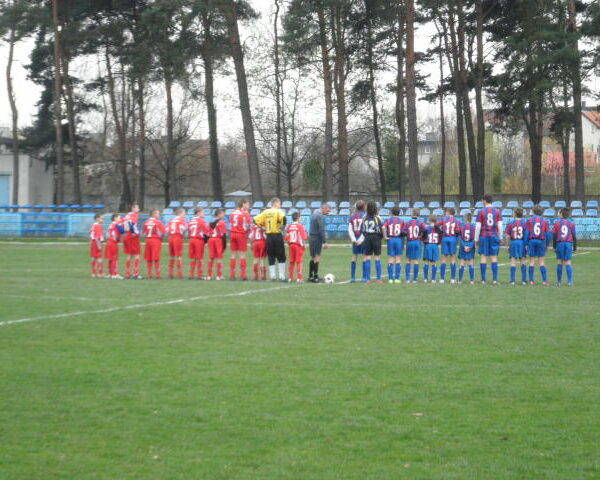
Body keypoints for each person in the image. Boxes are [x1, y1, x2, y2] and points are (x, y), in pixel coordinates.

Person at [253, 198, 287, 281]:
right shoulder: (278, 211)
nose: (280, 205)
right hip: (277, 235)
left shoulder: (266, 212)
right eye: (279, 204)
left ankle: (272, 276)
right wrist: (282, 227)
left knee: (271, 256)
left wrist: (262, 228)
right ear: (276, 204)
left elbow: (255, 220)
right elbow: (284, 219)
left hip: (269, 236)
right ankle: (282, 276)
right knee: (281, 256)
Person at [475, 194, 503, 284]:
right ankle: (495, 280)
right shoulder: (497, 211)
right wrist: (500, 237)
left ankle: (483, 280)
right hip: (494, 235)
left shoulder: (481, 211)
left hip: (484, 235)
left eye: (482, 200)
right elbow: (500, 226)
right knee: (493, 256)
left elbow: (478, 226)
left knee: (483, 256)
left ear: (484, 201)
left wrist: (476, 239)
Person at [356, 201, 384, 284]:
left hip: (367, 238)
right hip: (376, 238)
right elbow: (381, 228)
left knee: (368, 257)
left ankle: (367, 279)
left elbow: (363, 230)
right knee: (377, 257)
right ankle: (379, 279)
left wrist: (363, 238)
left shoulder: (364, 218)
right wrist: (381, 237)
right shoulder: (378, 218)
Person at [525, 205, 551, 286]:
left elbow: (527, 233)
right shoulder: (545, 220)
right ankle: (544, 281)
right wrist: (547, 245)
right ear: (542, 212)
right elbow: (547, 234)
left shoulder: (529, 220)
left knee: (532, 261)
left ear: (533, 211)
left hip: (532, 241)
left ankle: (531, 281)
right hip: (541, 241)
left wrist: (526, 243)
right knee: (541, 261)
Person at [552, 207, 577, 286]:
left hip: (560, 244)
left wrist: (554, 246)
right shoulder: (572, 224)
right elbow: (574, 236)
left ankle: (559, 282)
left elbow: (554, 236)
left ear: (561, 214)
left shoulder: (557, 223)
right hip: (568, 244)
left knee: (560, 262)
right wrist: (575, 247)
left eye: (559, 213)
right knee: (568, 262)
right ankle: (569, 282)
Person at [229, 199, 252, 280]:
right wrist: (247, 232)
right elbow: (249, 225)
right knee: (242, 255)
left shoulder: (233, 213)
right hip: (241, 234)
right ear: (243, 204)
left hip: (232, 234)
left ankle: (232, 275)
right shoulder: (245, 213)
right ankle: (243, 275)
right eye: (247, 204)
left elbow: (231, 223)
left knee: (233, 255)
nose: (248, 206)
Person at [504, 207, 528, 285]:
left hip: (513, 242)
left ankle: (512, 280)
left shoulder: (510, 223)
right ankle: (524, 280)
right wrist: (526, 244)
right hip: (522, 242)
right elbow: (526, 234)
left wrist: (507, 245)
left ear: (514, 214)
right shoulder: (524, 223)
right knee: (523, 260)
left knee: (513, 261)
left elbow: (507, 235)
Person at [437, 207, 461, 283]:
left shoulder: (444, 219)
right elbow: (458, 231)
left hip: (445, 239)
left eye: (446, 211)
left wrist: (441, 232)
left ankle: (442, 279)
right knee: (452, 258)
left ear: (448, 212)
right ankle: (453, 279)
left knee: (444, 259)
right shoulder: (457, 221)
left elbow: (436, 225)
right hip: (452, 239)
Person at [403, 208, 427, 283]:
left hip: (410, 242)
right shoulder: (421, 223)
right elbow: (425, 230)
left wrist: (407, 235)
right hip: (417, 242)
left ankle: (407, 279)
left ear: (411, 214)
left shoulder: (407, 223)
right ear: (419, 214)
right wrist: (422, 237)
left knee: (408, 260)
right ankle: (415, 279)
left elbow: (403, 231)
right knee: (416, 260)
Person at [308, 204, 331, 283]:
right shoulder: (321, 216)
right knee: (317, 257)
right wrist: (325, 241)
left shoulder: (314, 214)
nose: (328, 212)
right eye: (327, 211)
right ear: (323, 209)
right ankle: (316, 277)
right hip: (316, 238)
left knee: (313, 257)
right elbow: (321, 229)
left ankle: (311, 276)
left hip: (311, 237)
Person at [383, 206, 404, 283]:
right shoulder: (401, 221)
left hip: (391, 239)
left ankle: (390, 279)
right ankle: (397, 278)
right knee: (398, 258)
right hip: (398, 240)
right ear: (399, 213)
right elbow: (403, 231)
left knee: (391, 258)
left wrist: (385, 236)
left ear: (391, 212)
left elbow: (383, 227)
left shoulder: (388, 220)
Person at [143, 209, 166, 279]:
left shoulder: (146, 222)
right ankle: (158, 275)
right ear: (154, 214)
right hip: (155, 240)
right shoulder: (158, 222)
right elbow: (163, 232)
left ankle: (149, 274)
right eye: (158, 213)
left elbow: (144, 232)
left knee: (149, 258)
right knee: (156, 258)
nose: (159, 215)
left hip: (148, 241)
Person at [286, 212, 309, 282]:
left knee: (291, 261)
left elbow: (287, 237)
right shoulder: (300, 226)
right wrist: (304, 244)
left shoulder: (289, 226)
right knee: (299, 262)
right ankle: (299, 278)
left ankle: (290, 277)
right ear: (298, 218)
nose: (301, 218)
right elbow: (304, 237)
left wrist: (289, 244)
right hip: (298, 245)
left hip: (291, 245)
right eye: (300, 217)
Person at [348, 201, 366, 283]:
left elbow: (350, 229)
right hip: (363, 240)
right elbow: (365, 230)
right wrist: (360, 240)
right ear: (363, 207)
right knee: (364, 257)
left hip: (355, 240)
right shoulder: (365, 216)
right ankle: (364, 278)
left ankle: (353, 278)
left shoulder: (352, 216)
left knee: (354, 256)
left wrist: (354, 240)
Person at [188, 207, 209, 279]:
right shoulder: (201, 220)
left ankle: (191, 274)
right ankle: (200, 275)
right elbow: (206, 231)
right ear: (198, 213)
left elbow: (189, 231)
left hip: (191, 239)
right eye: (203, 212)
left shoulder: (191, 221)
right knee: (200, 258)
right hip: (198, 240)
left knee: (193, 258)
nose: (204, 214)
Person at [166, 208, 187, 279]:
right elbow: (183, 228)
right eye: (184, 213)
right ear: (180, 213)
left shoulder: (171, 220)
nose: (184, 214)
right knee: (179, 256)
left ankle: (170, 273)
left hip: (171, 238)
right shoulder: (181, 220)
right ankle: (179, 274)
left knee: (172, 256)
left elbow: (167, 229)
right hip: (177, 237)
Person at [122, 203, 142, 279]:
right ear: (133, 208)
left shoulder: (127, 215)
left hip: (127, 236)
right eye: (137, 208)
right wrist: (134, 232)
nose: (139, 209)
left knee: (130, 255)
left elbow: (122, 224)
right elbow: (132, 224)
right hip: (132, 236)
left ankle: (127, 273)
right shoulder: (134, 215)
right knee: (137, 254)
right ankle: (135, 274)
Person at [207, 209, 227, 280]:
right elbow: (224, 235)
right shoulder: (222, 223)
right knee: (219, 258)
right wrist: (224, 245)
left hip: (211, 240)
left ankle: (209, 276)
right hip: (218, 240)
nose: (223, 215)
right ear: (219, 215)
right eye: (222, 214)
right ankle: (219, 276)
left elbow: (208, 233)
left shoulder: (211, 222)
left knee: (211, 258)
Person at [423, 215, 442, 283]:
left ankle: (425, 279)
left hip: (428, 245)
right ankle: (433, 279)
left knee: (426, 262)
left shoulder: (427, 228)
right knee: (434, 262)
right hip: (435, 246)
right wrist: (438, 243)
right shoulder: (438, 229)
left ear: (429, 221)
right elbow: (440, 237)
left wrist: (424, 241)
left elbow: (423, 237)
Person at [105, 213, 124, 279]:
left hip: (109, 242)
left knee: (110, 259)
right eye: (119, 218)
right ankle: (114, 274)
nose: (120, 219)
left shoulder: (111, 225)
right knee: (114, 259)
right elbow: (121, 232)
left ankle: (110, 273)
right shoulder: (116, 225)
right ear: (115, 218)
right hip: (113, 243)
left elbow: (107, 234)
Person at [458, 212, 476, 284]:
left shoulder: (462, 227)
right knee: (471, 262)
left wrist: (464, 245)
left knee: (462, 262)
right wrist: (470, 246)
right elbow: (475, 238)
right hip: (471, 245)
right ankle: (471, 280)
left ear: (465, 219)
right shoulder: (473, 227)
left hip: (463, 245)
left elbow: (459, 237)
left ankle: (460, 280)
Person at [89, 213, 104, 278]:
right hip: (97, 243)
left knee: (94, 257)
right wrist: (99, 246)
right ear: (97, 219)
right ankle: (100, 273)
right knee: (99, 258)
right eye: (101, 218)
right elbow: (97, 237)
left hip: (93, 243)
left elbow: (91, 234)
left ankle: (94, 273)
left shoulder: (93, 225)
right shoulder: (98, 226)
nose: (102, 220)